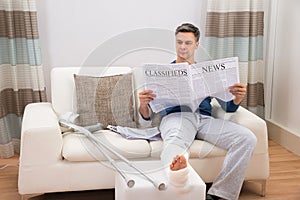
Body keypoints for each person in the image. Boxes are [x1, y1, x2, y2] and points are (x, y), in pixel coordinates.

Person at [138, 23, 257, 200]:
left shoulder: (207, 72)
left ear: (196, 44)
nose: (183, 47)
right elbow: (147, 116)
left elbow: (227, 108)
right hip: (177, 117)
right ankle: (177, 182)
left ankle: (221, 194)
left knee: (247, 138)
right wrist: (143, 104)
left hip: (204, 119)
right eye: (179, 42)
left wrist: (237, 98)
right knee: (174, 143)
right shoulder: (162, 73)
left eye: (187, 42)